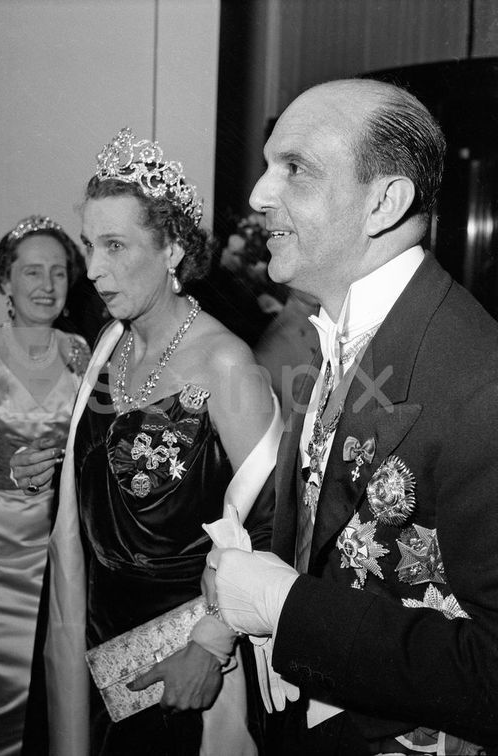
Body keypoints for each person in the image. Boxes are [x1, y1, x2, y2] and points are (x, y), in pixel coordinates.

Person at [208, 78, 498, 755]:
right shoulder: (339, 332)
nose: (257, 194)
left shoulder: (481, 382)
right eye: (265, 163)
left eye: (294, 168)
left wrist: (286, 607)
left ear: (384, 202)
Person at [23, 127, 283, 755]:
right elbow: (139, 459)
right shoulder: (111, 340)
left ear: (171, 249)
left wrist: (212, 645)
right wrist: (65, 464)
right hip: (88, 631)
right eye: (89, 244)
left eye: (114, 245)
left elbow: (276, 527)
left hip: (182, 659)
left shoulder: (226, 364)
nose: (92, 269)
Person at [0, 215, 90, 756]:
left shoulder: (83, 353)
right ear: (4, 282)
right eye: (32, 272)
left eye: (58, 272)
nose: (46, 286)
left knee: (56, 693)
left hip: (62, 553)